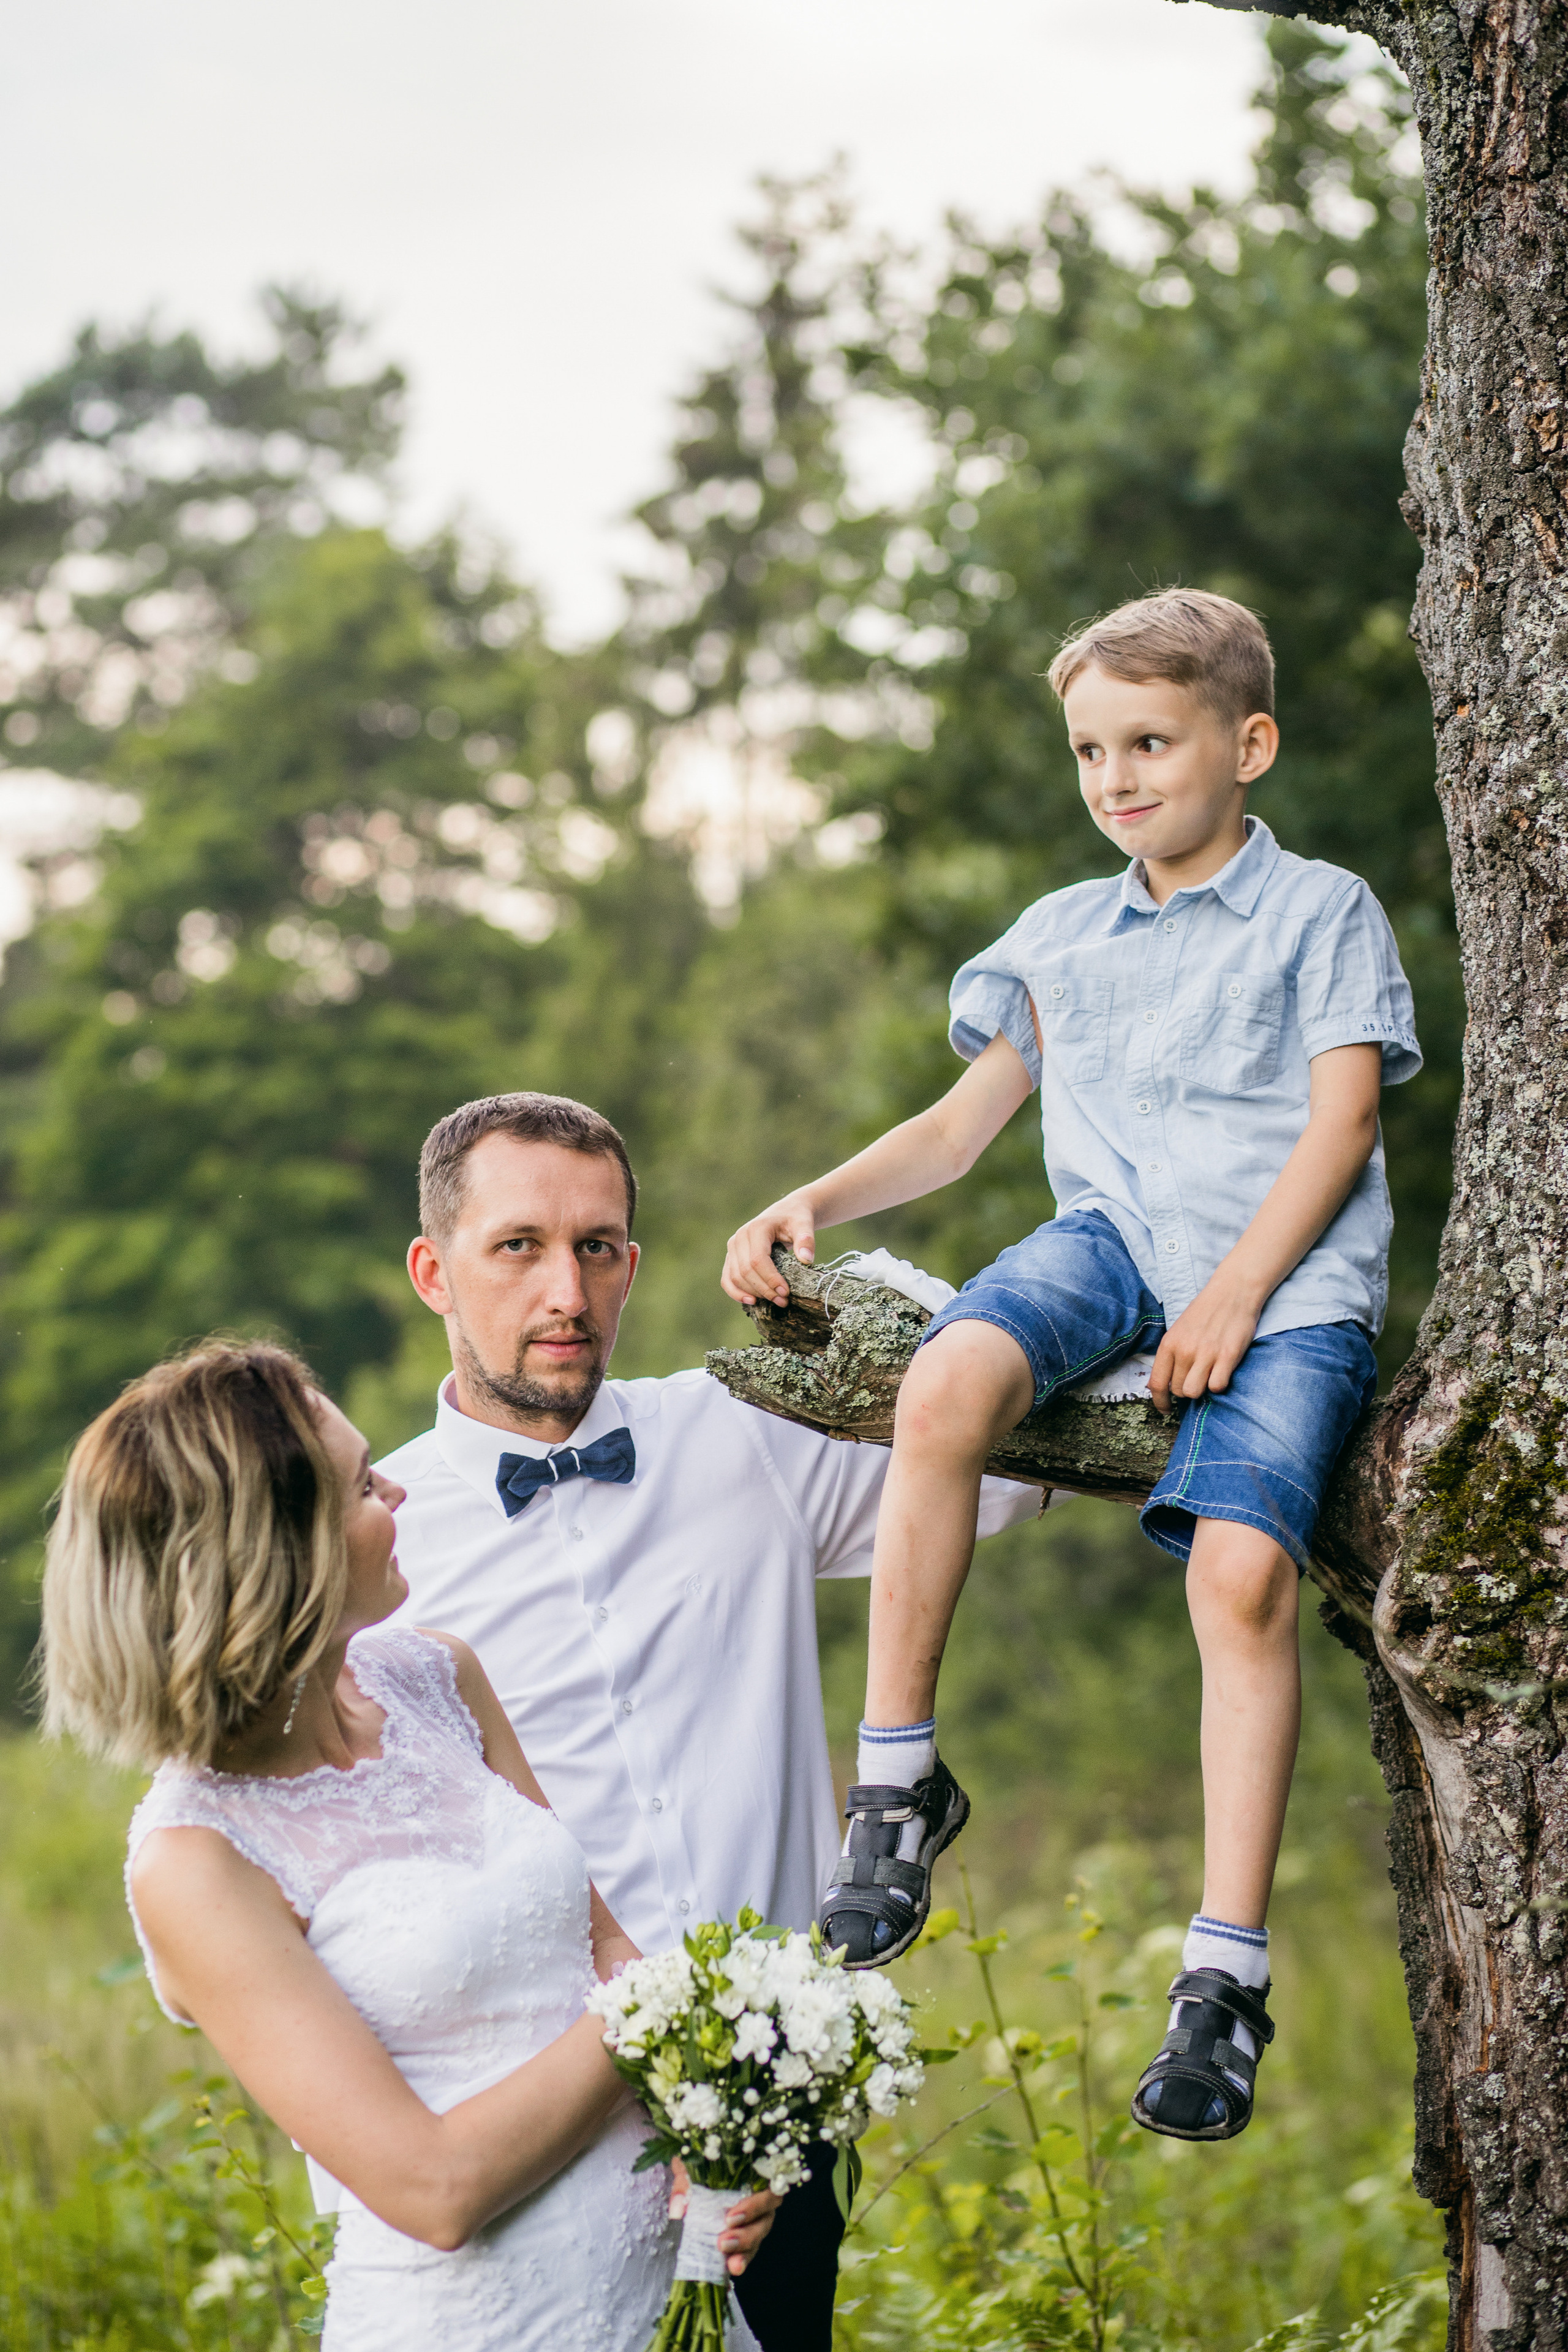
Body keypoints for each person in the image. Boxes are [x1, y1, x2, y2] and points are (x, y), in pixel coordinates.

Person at [722, 588, 1422, 2143]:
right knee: (943, 1385)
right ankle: (896, 1782)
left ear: (1247, 743)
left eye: (1150, 743)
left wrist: (1240, 1294)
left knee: (1234, 1575)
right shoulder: (1059, 934)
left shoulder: (1323, 912)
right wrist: (815, 1200)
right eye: (1091, 751)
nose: (1116, 778)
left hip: (1285, 1281)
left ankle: (1223, 1973)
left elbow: (1343, 1126)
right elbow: (963, 1126)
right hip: (1109, 1243)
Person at [378, 1090, 1042, 2347]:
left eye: (598, 1247)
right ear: (433, 1272)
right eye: (516, 1247)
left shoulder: (751, 1433)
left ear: (634, 1263)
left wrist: (846, 1275)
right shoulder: (375, 1539)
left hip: (778, 2127)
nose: (565, 1294)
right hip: (532, 2133)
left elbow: (1006, 1461)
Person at [39, 1340, 776, 2351]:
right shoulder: (198, 1857)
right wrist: (661, 2014)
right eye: (358, 1486)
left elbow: (604, 1942)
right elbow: (436, 2187)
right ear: (272, 1556)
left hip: (673, 2288)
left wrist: (708, 2125)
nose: (397, 1491)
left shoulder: (438, 1679)